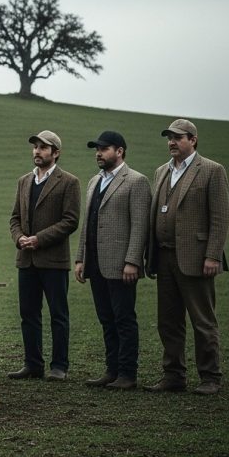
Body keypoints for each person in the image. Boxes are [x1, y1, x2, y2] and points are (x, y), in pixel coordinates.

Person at [145, 119, 229, 395]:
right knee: (168, 321)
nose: (171, 142)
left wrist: (213, 255)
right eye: (169, 137)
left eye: (178, 137)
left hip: (196, 258)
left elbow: (220, 217)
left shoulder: (212, 170)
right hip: (165, 256)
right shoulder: (161, 171)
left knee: (202, 320)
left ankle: (210, 377)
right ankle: (173, 375)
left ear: (193, 140)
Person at [75, 130, 151, 390]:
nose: (99, 153)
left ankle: (128, 374)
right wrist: (80, 258)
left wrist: (133, 261)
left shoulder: (136, 181)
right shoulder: (94, 181)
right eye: (97, 148)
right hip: (95, 263)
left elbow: (141, 226)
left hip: (121, 264)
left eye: (105, 148)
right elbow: (88, 224)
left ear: (119, 151)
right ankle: (112, 370)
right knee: (106, 318)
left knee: (124, 319)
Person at [9, 130, 80, 381]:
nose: (37, 151)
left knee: (58, 315)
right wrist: (19, 238)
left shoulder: (69, 182)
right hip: (26, 259)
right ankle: (33, 364)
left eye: (44, 147)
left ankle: (59, 366)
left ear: (56, 153)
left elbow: (70, 221)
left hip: (53, 260)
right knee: (28, 314)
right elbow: (15, 218)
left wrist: (39, 239)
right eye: (35, 147)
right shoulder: (23, 181)